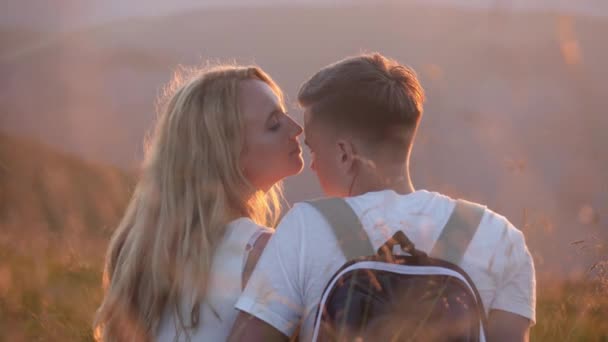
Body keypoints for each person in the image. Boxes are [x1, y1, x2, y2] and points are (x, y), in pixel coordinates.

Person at [229, 53, 536, 341]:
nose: (312, 165)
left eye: (313, 150)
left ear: (344, 153)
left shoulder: (306, 226)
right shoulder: (501, 238)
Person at [93, 64, 304, 341]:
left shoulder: (145, 253)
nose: (297, 128)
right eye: (274, 124)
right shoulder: (262, 254)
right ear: (226, 155)